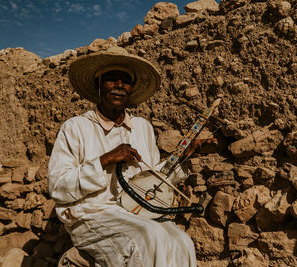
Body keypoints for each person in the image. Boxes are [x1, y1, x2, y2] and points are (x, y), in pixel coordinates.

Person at [48, 46, 198, 266]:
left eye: (125, 81)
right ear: (98, 85)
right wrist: (104, 160)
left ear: (131, 89)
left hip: (136, 212)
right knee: (149, 237)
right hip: (91, 213)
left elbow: (153, 175)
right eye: (111, 79)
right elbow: (58, 187)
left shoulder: (142, 127)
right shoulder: (75, 127)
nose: (119, 86)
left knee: (182, 242)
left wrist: (183, 156)